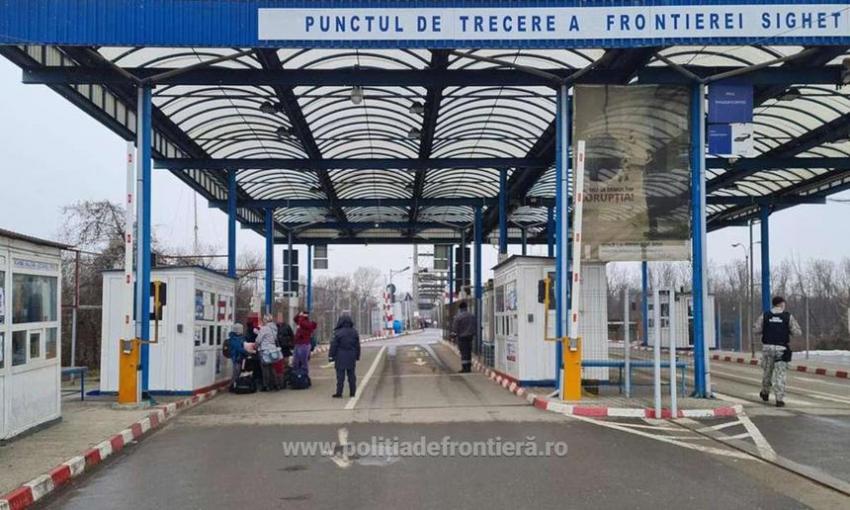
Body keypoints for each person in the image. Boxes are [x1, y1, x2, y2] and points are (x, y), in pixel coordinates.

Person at [753, 296, 802, 407]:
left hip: (767, 348)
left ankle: (765, 393)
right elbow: (797, 332)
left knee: (767, 372)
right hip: (781, 349)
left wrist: (767, 329)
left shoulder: (765, 315)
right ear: (781, 304)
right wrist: (786, 330)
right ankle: (779, 399)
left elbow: (756, 330)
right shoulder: (787, 316)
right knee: (780, 374)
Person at [329, 314, 361, 398]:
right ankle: (352, 392)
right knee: (351, 375)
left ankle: (339, 392)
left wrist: (331, 356)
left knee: (340, 376)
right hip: (351, 355)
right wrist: (357, 356)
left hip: (340, 356)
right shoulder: (354, 332)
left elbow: (334, 345)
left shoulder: (337, 333)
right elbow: (357, 345)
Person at [255, 314, 281, 391]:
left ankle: (266, 385)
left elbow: (258, 340)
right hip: (272, 350)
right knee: (272, 367)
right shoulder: (274, 328)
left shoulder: (264, 328)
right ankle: (276, 384)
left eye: (264, 319)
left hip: (265, 350)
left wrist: (256, 346)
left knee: (265, 368)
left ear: (266, 320)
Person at [452, 301, 476, 373]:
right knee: (468, 351)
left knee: (464, 352)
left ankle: (465, 368)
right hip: (470, 336)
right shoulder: (472, 316)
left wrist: (453, 335)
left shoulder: (458, 317)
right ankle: (469, 367)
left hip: (462, 337)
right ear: (466, 307)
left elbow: (455, 328)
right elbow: (475, 325)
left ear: (460, 308)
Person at [226, 323, 248, 391]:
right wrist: (246, 351)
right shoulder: (234, 339)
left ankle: (235, 385)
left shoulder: (239, 338)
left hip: (239, 357)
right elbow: (238, 348)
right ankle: (231, 386)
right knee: (236, 372)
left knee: (237, 372)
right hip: (236, 357)